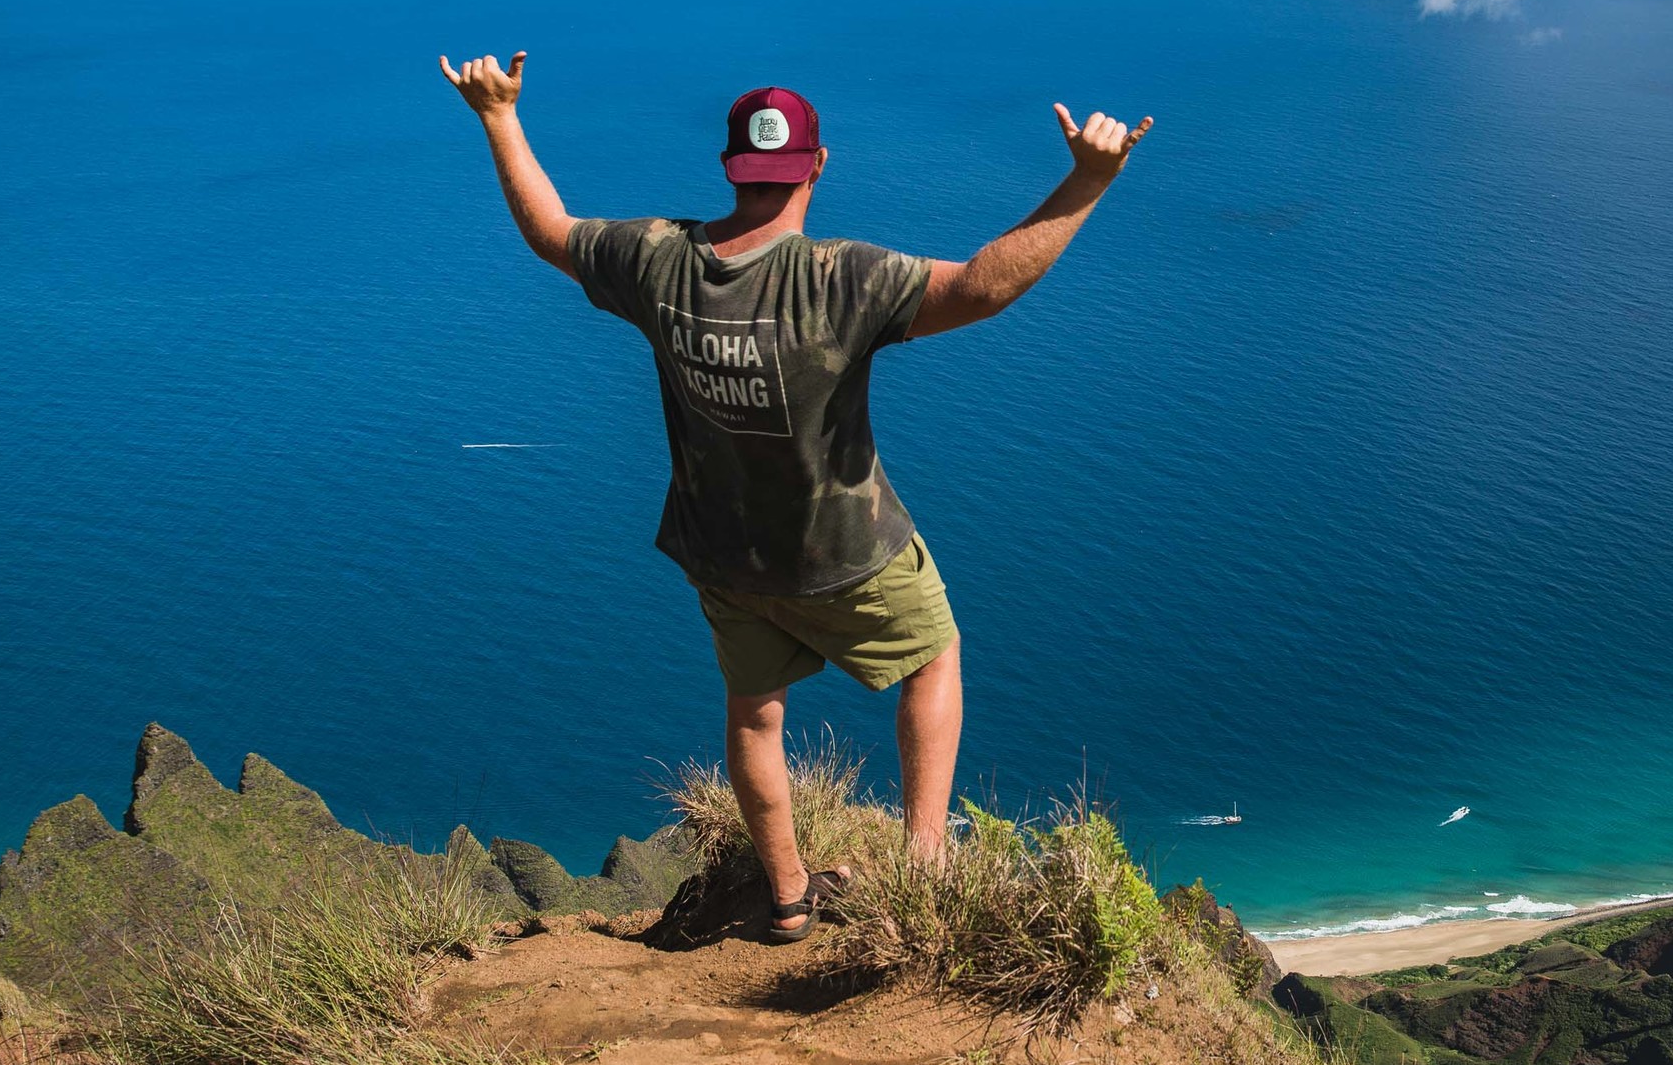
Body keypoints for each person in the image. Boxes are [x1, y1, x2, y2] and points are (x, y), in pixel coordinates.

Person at [439, 50, 1152, 941]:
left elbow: (550, 231)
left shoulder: (658, 261)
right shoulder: (840, 280)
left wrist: (499, 116)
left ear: (732, 168)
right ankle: (925, 869)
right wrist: (1087, 180)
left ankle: (786, 900)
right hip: (844, 551)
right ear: (816, 166)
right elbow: (982, 285)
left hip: (723, 555)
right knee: (933, 659)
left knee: (754, 713)